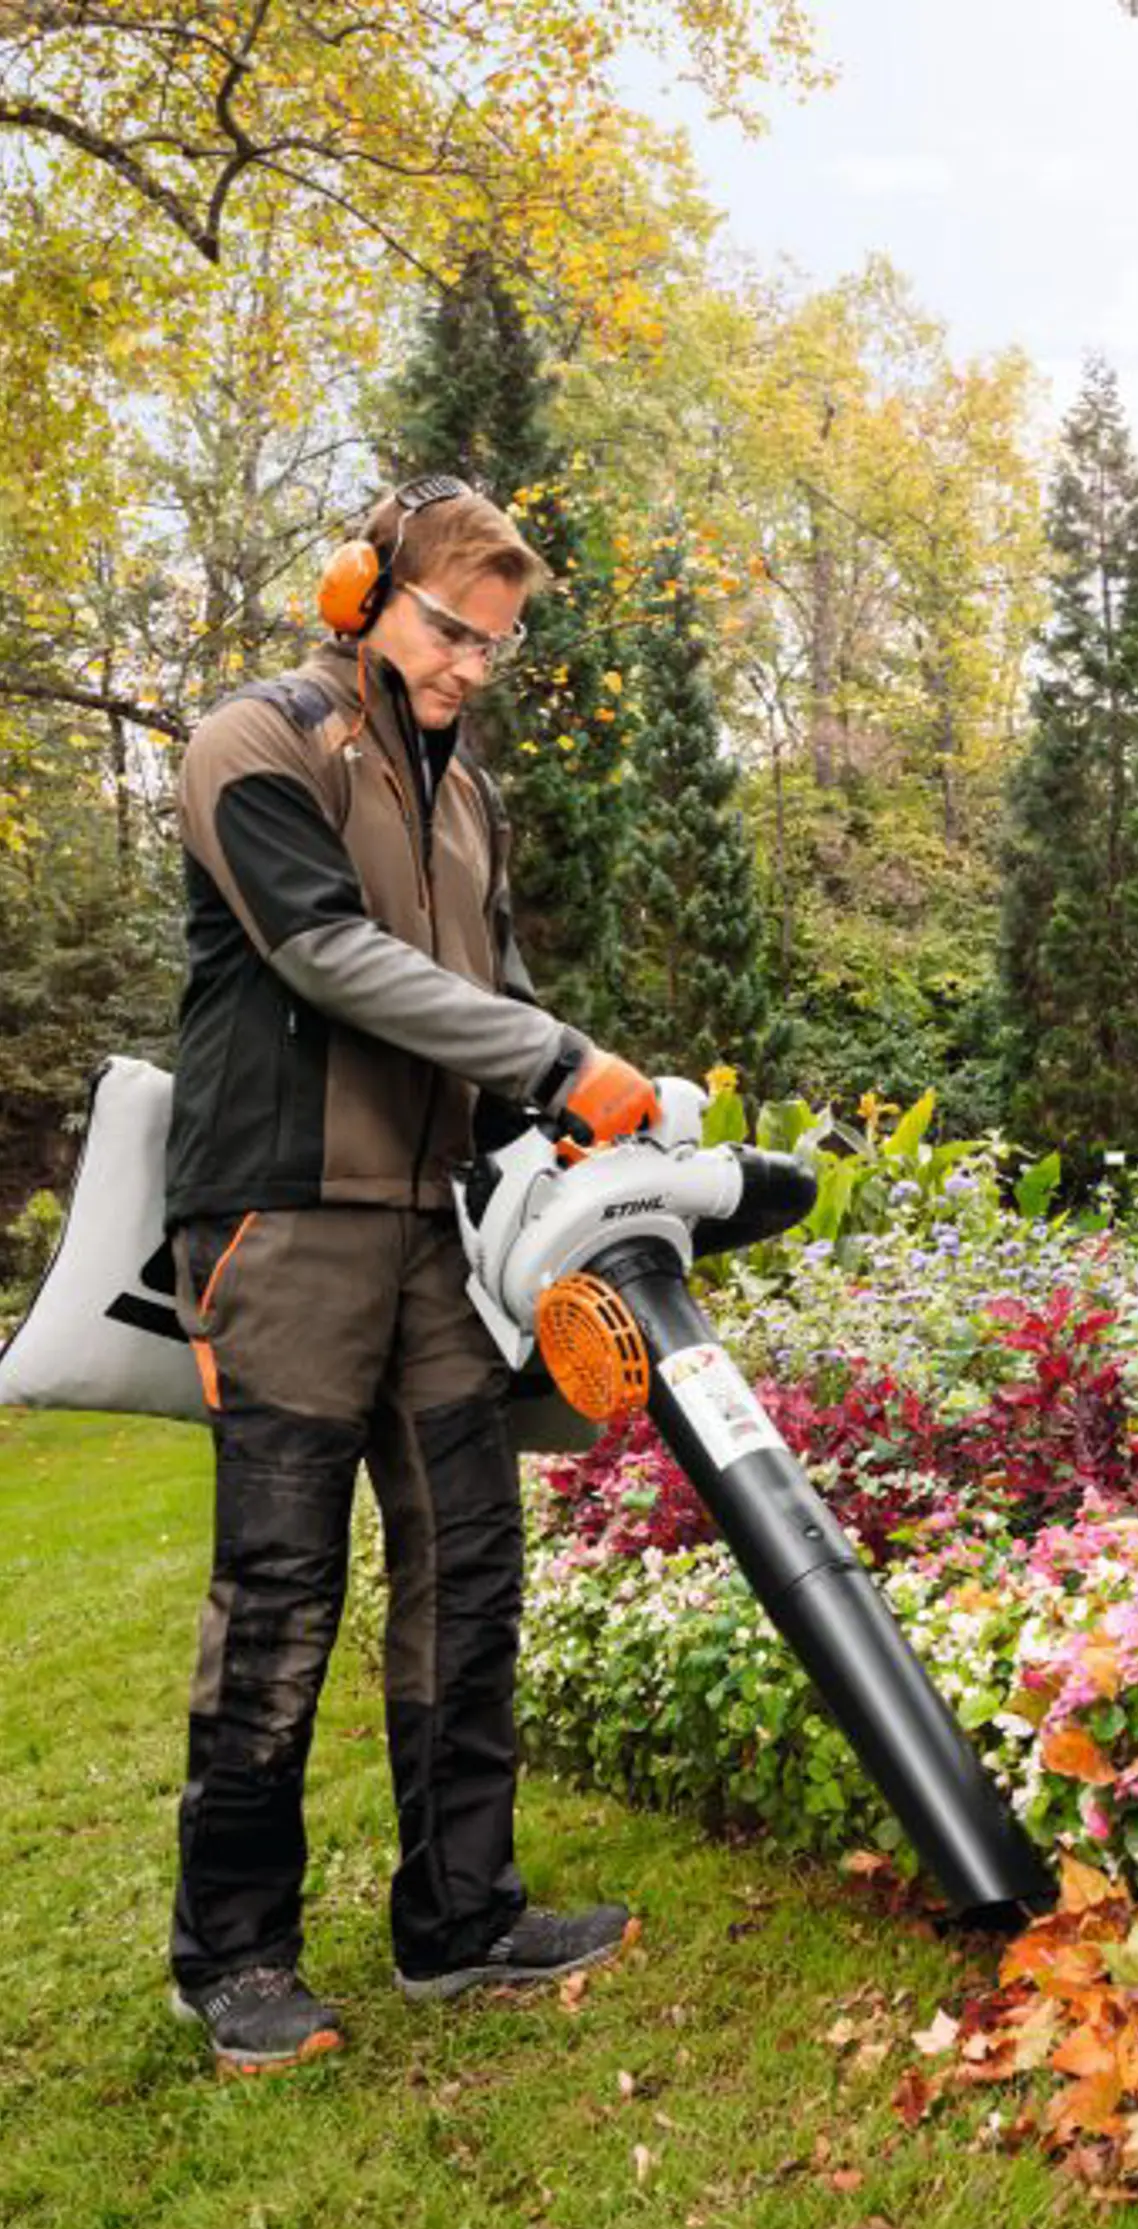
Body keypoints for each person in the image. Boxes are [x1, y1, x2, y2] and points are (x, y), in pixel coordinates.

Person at [163, 475, 657, 2072]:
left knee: (467, 1565)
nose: (468, 666)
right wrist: (559, 1054)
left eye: (494, 646)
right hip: (282, 1217)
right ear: (361, 590)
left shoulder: (471, 800)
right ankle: (233, 1956)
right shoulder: (256, 744)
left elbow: (491, 988)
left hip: (433, 1226)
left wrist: (570, 1120)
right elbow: (326, 953)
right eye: (451, 629)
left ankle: (462, 1915)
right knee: (284, 1590)